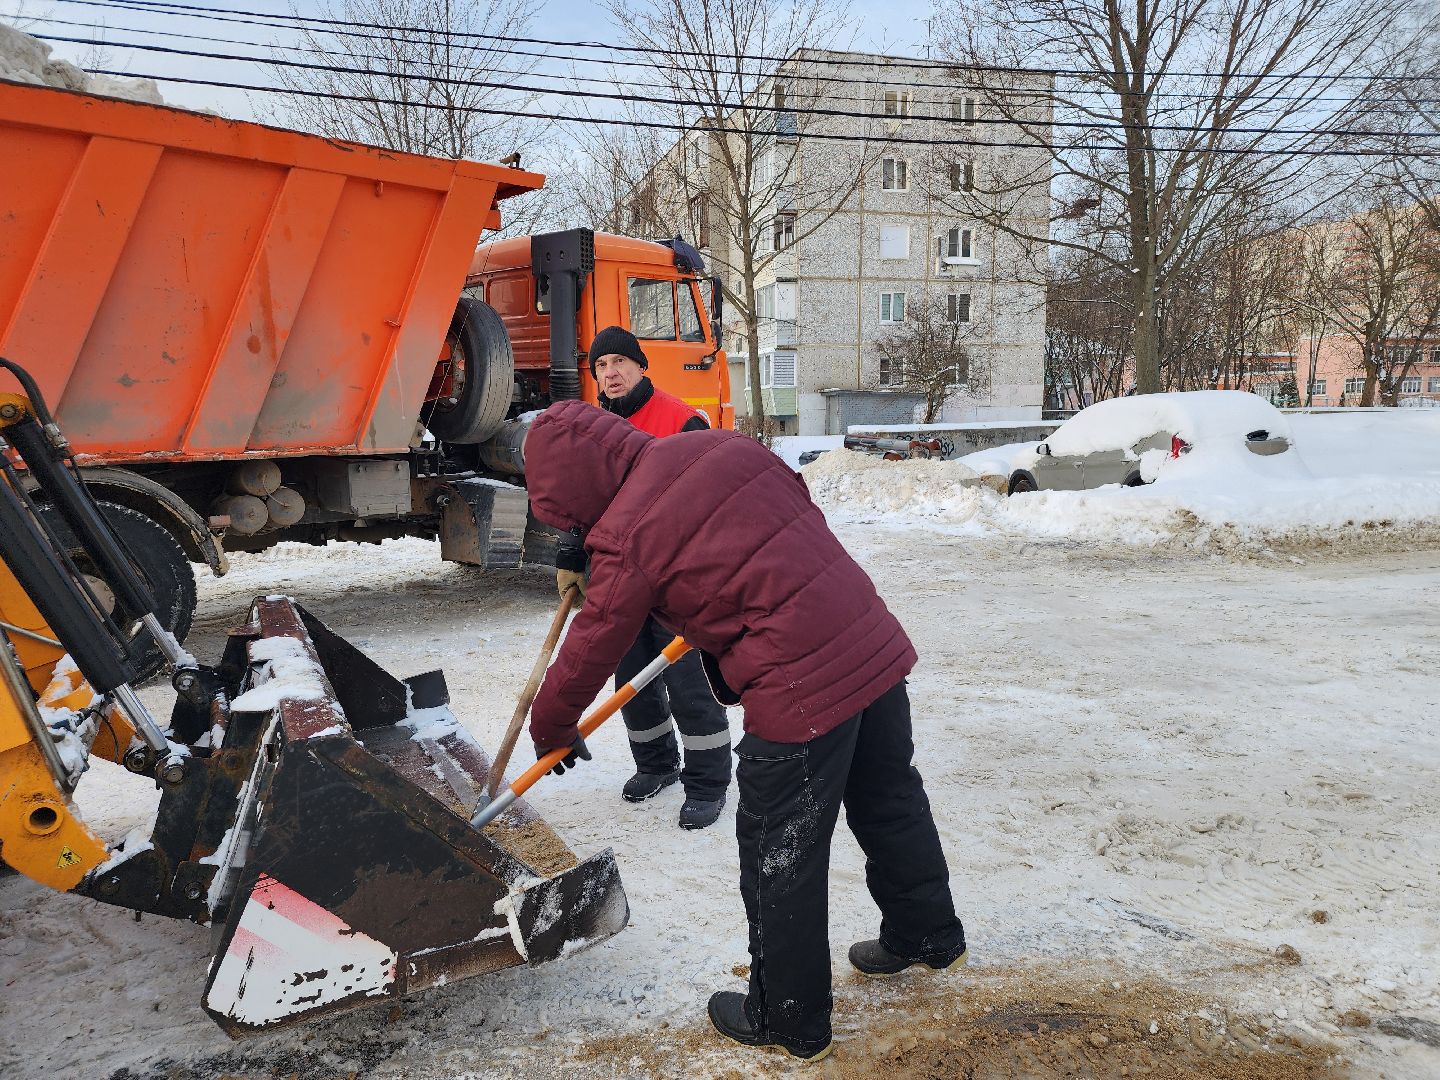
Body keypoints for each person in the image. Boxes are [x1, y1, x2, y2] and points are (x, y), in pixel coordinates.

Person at [525, 401, 966, 1064]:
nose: (579, 525)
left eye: (570, 511)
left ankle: (787, 1018)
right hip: (871, 643)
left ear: (578, 487)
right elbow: (787, 519)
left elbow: (593, 643)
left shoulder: (630, 533)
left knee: (777, 850)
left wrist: (552, 723)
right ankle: (927, 935)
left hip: (801, 688)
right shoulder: (727, 447)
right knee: (889, 800)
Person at [552, 325, 731, 830]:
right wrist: (570, 550)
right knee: (629, 678)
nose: (610, 373)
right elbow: (584, 504)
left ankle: (708, 783)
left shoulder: (681, 421)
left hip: (676, 578)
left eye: (618, 362)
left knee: (687, 681)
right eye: (600, 366)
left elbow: (707, 500)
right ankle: (656, 766)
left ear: (641, 365)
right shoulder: (595, 431)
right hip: (619, 579)